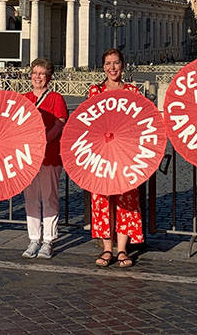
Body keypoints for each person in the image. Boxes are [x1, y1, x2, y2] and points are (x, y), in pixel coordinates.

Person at [88, 49, 142, 268]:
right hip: (101, 153)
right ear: (103, 67)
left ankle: (122, 249)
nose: (112, 67)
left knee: (126, 199)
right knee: (102, 199)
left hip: (125, 153)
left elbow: (140, 120)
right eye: (108, 63)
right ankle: (107, 248)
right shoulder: (95, 91)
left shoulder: (133, 91)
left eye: (116, 63)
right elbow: (88, 123)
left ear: (123, 65)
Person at [21, 58, 68, 260]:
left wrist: (43, 141)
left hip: (49, 153)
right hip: (28, 156)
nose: (38, 77)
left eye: (42, 73)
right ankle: (33, 238)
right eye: (35, 73)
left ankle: (48, 240)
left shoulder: (56, 98)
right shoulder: (23, 98)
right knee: (30, 197)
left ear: (48, 77)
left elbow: (59, 124)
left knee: (49, 197)